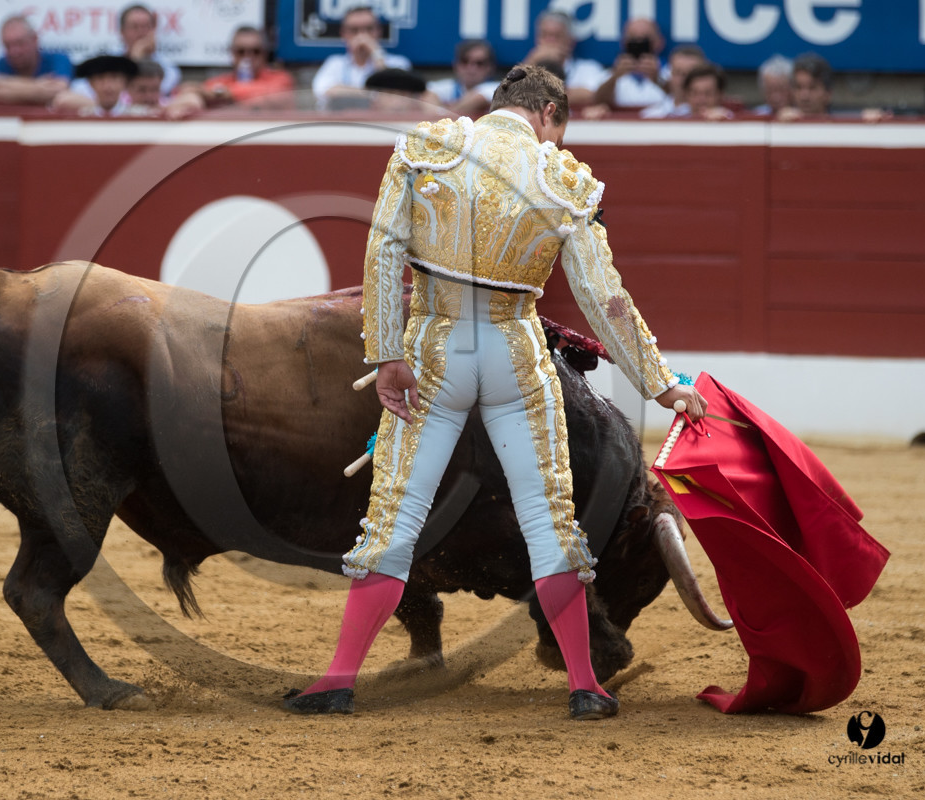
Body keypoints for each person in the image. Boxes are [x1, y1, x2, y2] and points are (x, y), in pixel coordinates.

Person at [282, 64, 706, 720]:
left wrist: (387, 356)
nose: (558, 143)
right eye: (559, 130)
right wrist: (662, 385)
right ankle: (585, 687)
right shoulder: (563, 177)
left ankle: (337, 681)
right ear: (548, 114)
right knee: (549, 521)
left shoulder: (425, 149)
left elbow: (382, 255)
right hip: (515, 352)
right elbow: (605, 298)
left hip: (435, 347)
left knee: (395, 517)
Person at [164, 26, 294, 118]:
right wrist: (192, 97)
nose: (248, 56)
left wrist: (219, 93)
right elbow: (196, 93)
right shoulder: (221, 82)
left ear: (265, 53)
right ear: (232, 53)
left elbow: (269, 93)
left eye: (255, 51)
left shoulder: (280, 78)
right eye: (241, 51)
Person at [311, 6, 412, 110]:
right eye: (354, 30)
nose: (362, 36)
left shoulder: (398, 63)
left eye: (369, 29)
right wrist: (373, 94)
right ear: (343, 34)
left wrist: (376, 54)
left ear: (379, 31)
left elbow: (397, 95)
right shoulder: (335, 63)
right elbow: (322, 91)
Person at [0, 15, 73, 106]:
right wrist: (39, 86)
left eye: (20, 43)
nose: (14, 51)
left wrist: (7, 87)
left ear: (35, 39)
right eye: (8, 46)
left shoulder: (58, 59)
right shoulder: (2, 63)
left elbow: (61, 91)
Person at [523, 9, 606, 108]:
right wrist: (531, 62)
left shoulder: (588, 69)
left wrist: (537, 93)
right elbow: (512, 94)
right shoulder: (528, 65)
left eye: (557, 36)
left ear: (570, 40)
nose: (549, 41)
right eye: (544, 35)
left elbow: (595, 95)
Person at [592, 18, 667, 111]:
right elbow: (599, 100)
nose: (639, 42)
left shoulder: (671, 71)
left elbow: (678, 98)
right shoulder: (611, 74)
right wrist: (615, 76)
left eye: (645, 39)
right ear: (624, 42)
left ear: (659, 42)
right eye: (633, 39)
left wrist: (657, 79)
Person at [426, 39, 499, 116]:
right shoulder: (450, 87)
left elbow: (478, 99)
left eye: (479, 63)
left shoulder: (498, 88)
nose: (471, 68)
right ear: (455, 64)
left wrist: (443, 111)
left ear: (490, 67)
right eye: (465, 61)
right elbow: (427, 94)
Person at [51, 55, 137, 117]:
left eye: (114, 78)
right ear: (91, 83)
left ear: (125, 82)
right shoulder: (82, 116)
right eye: (100, 78)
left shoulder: (136, 114)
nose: (107, 86)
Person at [639, 45, 706, 119]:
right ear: (670, 74)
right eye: (678, 73)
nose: (684, 80)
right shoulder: (651, 116)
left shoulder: (712, 117)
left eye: (690, 74)